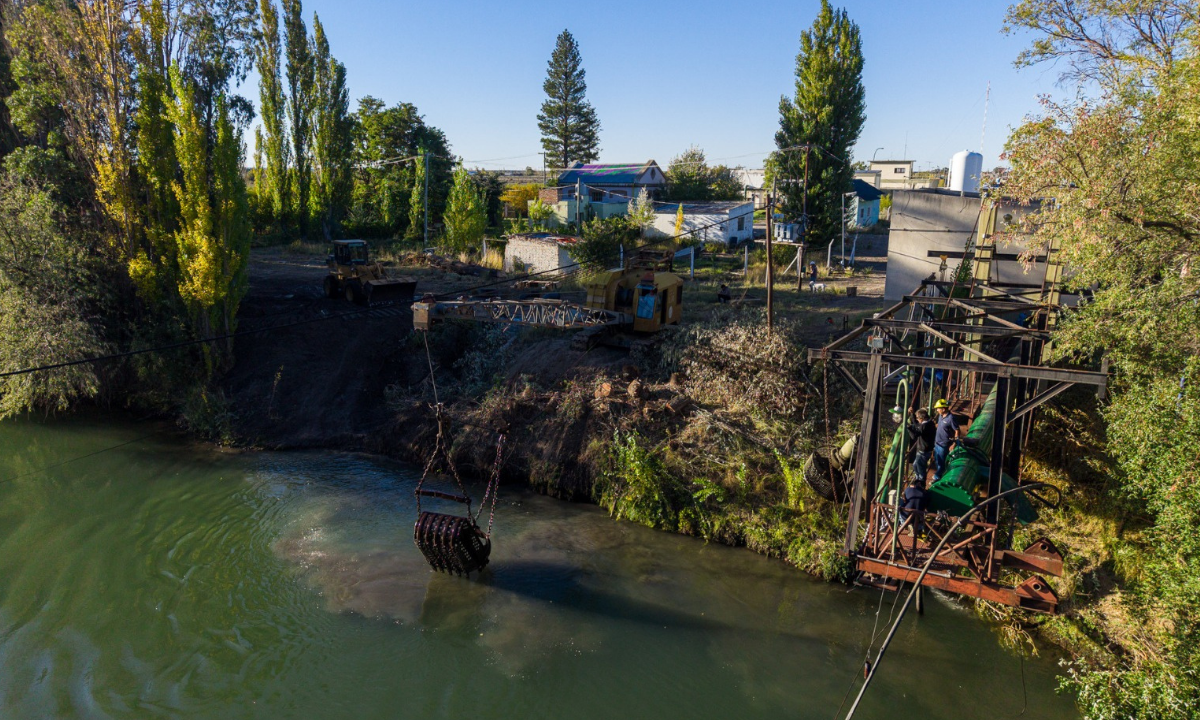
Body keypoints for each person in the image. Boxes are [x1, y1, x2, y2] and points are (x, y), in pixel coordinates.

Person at [906, 408, 936, 482]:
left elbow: (914, 436)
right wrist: (913, 415)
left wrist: (908, 428)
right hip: (925, 449)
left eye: (917, 418)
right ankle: (918, 479)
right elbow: (917, 425)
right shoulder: (929, 423)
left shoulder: (924, 426)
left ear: (921, 418)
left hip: (923, 451)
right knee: (915, 465)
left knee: (921, 468)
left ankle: (921, 482)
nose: (917, 419)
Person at [932, 398, 959, 480]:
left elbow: (957, 431)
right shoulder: (941, 416)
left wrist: (954, 443)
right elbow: (939, 425)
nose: (937, 410)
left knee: (941, 462)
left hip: (944, 444)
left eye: (938, 408)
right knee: (937, 460)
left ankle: (938, 476)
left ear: (943, 409)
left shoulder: (951, 418)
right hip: (937, 442)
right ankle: (939, 473)